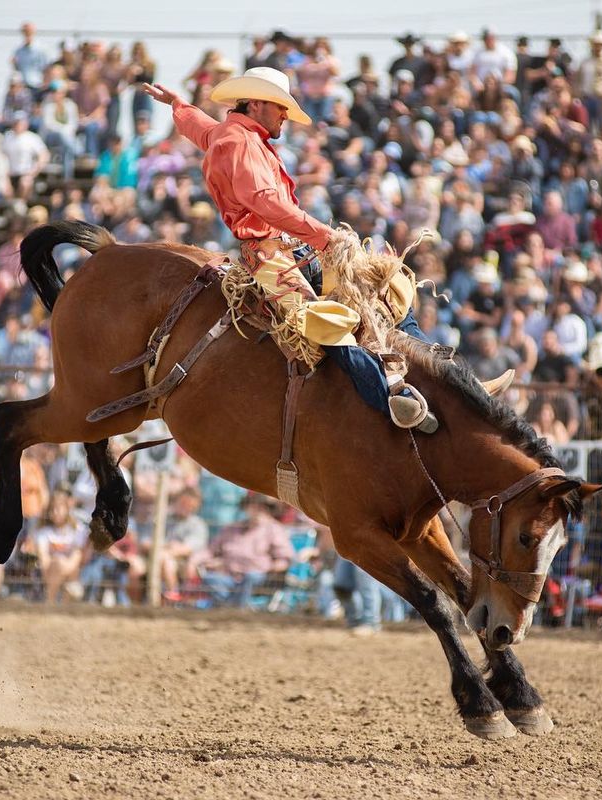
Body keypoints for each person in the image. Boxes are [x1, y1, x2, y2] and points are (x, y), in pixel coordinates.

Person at [141, 69, 438, 433]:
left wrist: (178, 105)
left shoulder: (231, 134)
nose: (285, 114)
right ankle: (392, 399)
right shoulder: (238, 141)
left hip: (293, 248)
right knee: (324, 324)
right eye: (280, 106)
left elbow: (201, 129)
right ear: (255, 104)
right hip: (271, 255)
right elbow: (265, 203)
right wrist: (326, 237)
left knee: (380, 284)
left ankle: (433, 369)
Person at [190, 495, 292, 608]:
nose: (257, 510)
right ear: (246, 508)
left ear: (269, 510)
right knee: (211, 579)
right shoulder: (232, 528)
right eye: (253, 506)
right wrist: (194, 560)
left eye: (262, 507)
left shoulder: (274, 529)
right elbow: (210, 550)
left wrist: (272, 569)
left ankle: (234, 610)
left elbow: (284, 558)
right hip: (229, 575)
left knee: (250, 578)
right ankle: (230, 608)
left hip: (259, 577)